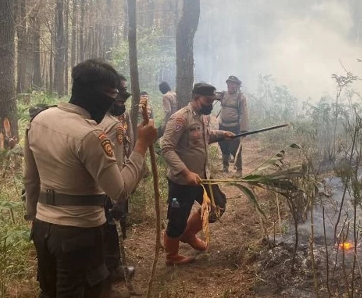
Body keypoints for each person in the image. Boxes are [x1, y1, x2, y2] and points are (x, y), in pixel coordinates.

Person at [24, 59, 157, 298]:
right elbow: (119, 190)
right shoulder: (90, 135)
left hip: (43, 228)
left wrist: (34, 216)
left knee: (50, 290)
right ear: (99, 94)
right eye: (113, 94)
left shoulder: (40, 120)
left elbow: (31, 179)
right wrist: (141, 146)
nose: (115, 101)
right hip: (79, 233)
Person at [160, 83, 235, 265]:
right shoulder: (180, 118)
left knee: (217, 205)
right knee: (177, 218)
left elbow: (205, 136)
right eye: (207, 101)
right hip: (181, 182)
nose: (210, 104)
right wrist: (185, 172)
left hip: (202, 177)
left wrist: (221, 134)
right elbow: (166, 148)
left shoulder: (204, 117)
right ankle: (172, 256)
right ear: (196, 98)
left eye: (212, 101)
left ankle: (189, 233)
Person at [99, 76, 134, 286]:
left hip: (97, 185)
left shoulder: (95, 118)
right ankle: (113, 269)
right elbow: (116, 162)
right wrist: (119, 197)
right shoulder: (111, 125)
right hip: (108, 186)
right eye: (119, 101)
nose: (122, 105)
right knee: (109, 227)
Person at [217, 76, 248, 176]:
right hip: (222, 125)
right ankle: (225, 167)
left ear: (238, 86)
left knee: (235, 148)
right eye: (229, 83)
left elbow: (244, 114)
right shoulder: (223, 95)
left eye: (234, 84)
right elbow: (212, 96)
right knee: (223, 146)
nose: (231, 86)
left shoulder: (240, 98)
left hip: (234, 126)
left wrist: (244, 129)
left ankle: (239, 170)